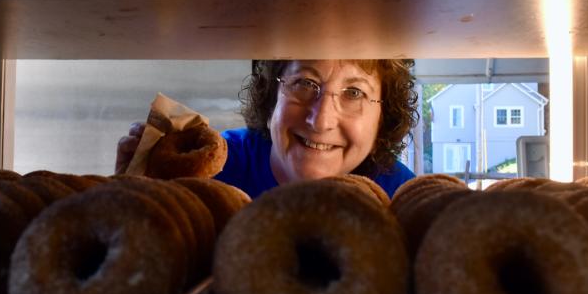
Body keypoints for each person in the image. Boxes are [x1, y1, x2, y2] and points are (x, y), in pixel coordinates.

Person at [115, 59, 418, 198]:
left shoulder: (400, 197)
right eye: (304, 83)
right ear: (271, 96)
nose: (321, 120)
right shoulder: (213, 170)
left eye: (354, 93)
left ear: (383, 116)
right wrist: (129, 196)